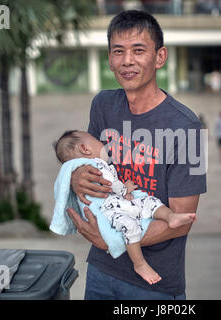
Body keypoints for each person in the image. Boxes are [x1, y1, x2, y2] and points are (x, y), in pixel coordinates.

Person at [66, 10, 207, 300]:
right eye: (118, 51)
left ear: (160, 57)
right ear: (109, 58)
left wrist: (111, 241)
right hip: (101, 272)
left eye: (138, 50)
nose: (127, 61)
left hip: (154, 285)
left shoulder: (187, 126)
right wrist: (77, 176)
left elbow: (181, 220)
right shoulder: (103, 105)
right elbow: (87, 165)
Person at [53, 130, 196, 285]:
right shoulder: (93, 165)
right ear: (85, 149)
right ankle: (140, 264)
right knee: (131, 225)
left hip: (119, 203)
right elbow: (109, 184)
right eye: (96, 139)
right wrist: (124, 189)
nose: (103, 143)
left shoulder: (89, 166)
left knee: (148, 202)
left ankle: (171, 216)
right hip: (109, 210)